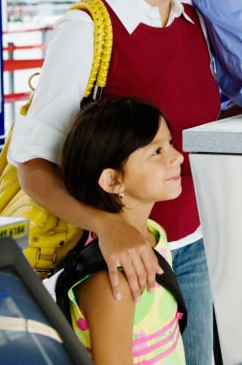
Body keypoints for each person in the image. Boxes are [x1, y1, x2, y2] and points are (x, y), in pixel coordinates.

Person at [9, 0, 242, 365]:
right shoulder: (88, 30)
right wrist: (107, 228)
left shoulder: (194, 23)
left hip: (197, 243)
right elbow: (31, 166)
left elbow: (196, 124)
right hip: (122, 256)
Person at [59, 97, 186, 364]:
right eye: (156, 151)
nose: (177, 157)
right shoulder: (111, 281)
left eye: (170, 144)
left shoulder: (150, 233)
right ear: (113, 179)